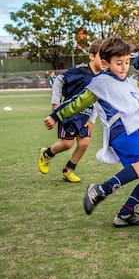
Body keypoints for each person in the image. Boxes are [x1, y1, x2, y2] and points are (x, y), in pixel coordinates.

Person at [43, 37, 139, 227]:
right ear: (106, 63)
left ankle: (125, 214)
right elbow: (77, 102)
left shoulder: (130, 83)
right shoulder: (100, 84)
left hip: (132, 132)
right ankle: (100, 190)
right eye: (119, 63)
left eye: (127, 62)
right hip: (119, 131)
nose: (124, 67)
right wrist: (56, 115)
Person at [38, 40, 103, 183]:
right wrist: (55, 102)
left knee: (84, 144)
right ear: (92, 56)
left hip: (85, 116)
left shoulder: (102, 78)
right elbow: (59, 80)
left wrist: (92, 120)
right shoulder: (80, 70)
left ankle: (68, 170)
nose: (105, 60)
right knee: (67, 144)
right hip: (69, 113)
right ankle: (46, 154)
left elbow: (97, 99)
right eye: (101, 56)